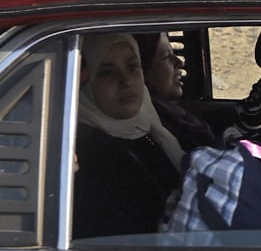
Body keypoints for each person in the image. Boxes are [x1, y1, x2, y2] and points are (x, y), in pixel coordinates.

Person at [71, 32, 184, 240]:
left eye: (133, 67)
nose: (126, 81)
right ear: (83, 84)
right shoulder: (84, 155)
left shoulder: (150, 129)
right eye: (107, 73)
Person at [134, 32, 218, 152]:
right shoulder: (164, 125)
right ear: (144, 70)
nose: (180, 62)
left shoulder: (172, 117)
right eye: (166, 57)